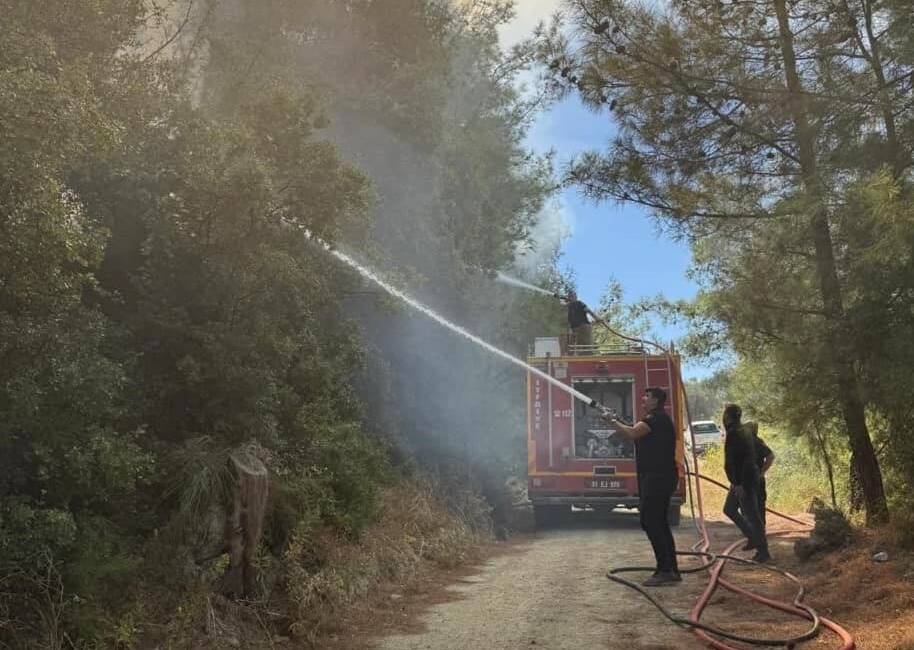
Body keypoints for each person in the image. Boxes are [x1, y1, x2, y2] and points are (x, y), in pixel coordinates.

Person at [604, 387, 680, 586]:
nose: (643, 398)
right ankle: (671, 569)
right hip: (658, 477)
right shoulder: (655, 419)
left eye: (647, 396)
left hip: (658, 478)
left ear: (655, 401)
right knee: (659, 522)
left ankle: (665, 570)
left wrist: (612, 421)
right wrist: (615, 420)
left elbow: (632, 432)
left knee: (650, 521)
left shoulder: (656, 419)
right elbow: (633, 429)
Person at [722, 405, 770, 563]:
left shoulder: (737, 433)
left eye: (724, 414)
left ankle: (763, 552)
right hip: (739, 481)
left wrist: (740, 483)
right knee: (729, 508)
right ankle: (752, 538)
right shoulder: (737, 432)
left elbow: (744, 462)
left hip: (745, 481)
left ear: (728, 416)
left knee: (752, 516)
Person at [745, 421, 775, 536]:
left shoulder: (754, 442)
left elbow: (771, 456)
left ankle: (755, 531)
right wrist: (762, 473)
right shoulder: (758, 442)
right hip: (756, 479)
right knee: (758, 504)